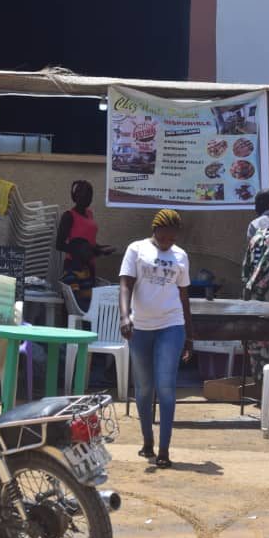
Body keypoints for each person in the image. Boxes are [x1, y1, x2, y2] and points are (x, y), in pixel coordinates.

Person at [119, 209, 193, 469]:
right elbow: (126, 284)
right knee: (143, 388)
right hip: (140, 327)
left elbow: (184, 297)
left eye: (173, 238)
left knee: (166, 387)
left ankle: (164, 449)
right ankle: (147, 440)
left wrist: (189, 336)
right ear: (155, 230)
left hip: (171, 325)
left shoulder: (180, 256)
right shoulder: (136, 249)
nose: (168, 241)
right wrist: (125, 316)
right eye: (164, 236)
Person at [56, 180, 115, 309]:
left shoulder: (89, 214)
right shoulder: (69, 216)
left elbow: (89, 241)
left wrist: (100, 248)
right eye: (83, 194)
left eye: (89, 194)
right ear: (75, 196)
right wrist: (80, 251)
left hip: (89, 266)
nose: (86, 198)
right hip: (74, 267)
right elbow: (59, 244)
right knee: (76, 306)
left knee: (89, 304)